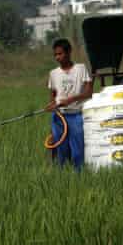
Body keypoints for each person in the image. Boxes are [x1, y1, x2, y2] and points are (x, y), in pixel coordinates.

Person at [46, 38, 93, 170]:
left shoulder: (81, 69)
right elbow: (53, 98)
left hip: (76, 116)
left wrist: (71, 99)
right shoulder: (53, 74)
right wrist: (52, 106)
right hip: (59, 117)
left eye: (60, 54)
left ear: (69, 52)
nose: (57, 57)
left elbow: (89, 92)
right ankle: (62, 177)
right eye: (55, 54)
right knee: (61, 150)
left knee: (78, 150)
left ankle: (79, 176)